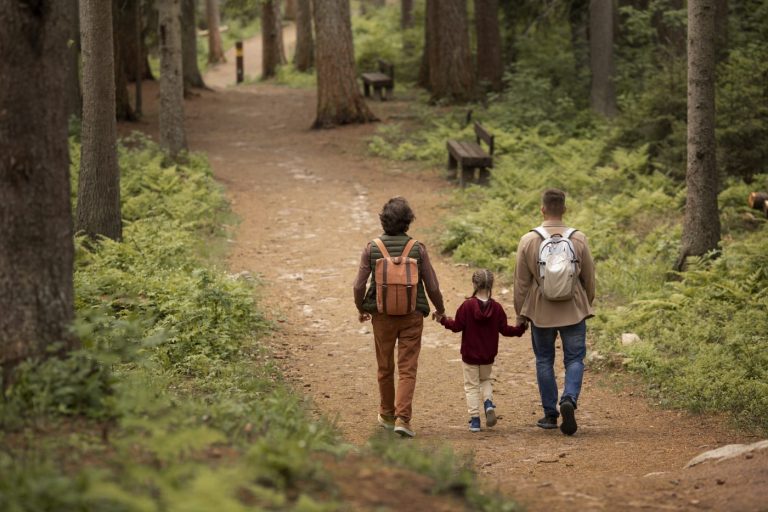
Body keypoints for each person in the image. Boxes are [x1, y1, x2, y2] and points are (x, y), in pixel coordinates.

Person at [353, 197, 445, 438]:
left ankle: (386, 414)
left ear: (383, 221)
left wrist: (361, 307)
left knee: (385, 366)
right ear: (408, 222)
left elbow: (358, 285)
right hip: (412, 314)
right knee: (407, 367)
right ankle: (403, 419)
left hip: (381, 315)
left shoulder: (371, 248)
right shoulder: (417, 248)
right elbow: (432, 285)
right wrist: (440, 308)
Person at [514, 189, 595, 436]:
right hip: (573, 309)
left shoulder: (529, 240)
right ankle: (568, 398)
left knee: (544, 359)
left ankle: (550, 414)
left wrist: (521, 314)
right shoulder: (579, 238)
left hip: (541, 311)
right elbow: (589, 278)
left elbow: (521, 283)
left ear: (542, 209)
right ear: (564, 210)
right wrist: (585, 304)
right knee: (574, 359)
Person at [436, 269, 526, 432]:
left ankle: (475, 420)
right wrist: (520, 328)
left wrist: (443, 320)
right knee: (485, 380)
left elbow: (456, 327)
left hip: (469, 355)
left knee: (471, 386)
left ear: (474, 284)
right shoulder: (497, 308)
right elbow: (505, 330)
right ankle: (488, 403)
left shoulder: (467, 306)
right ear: (491, 285)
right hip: (488, 355)